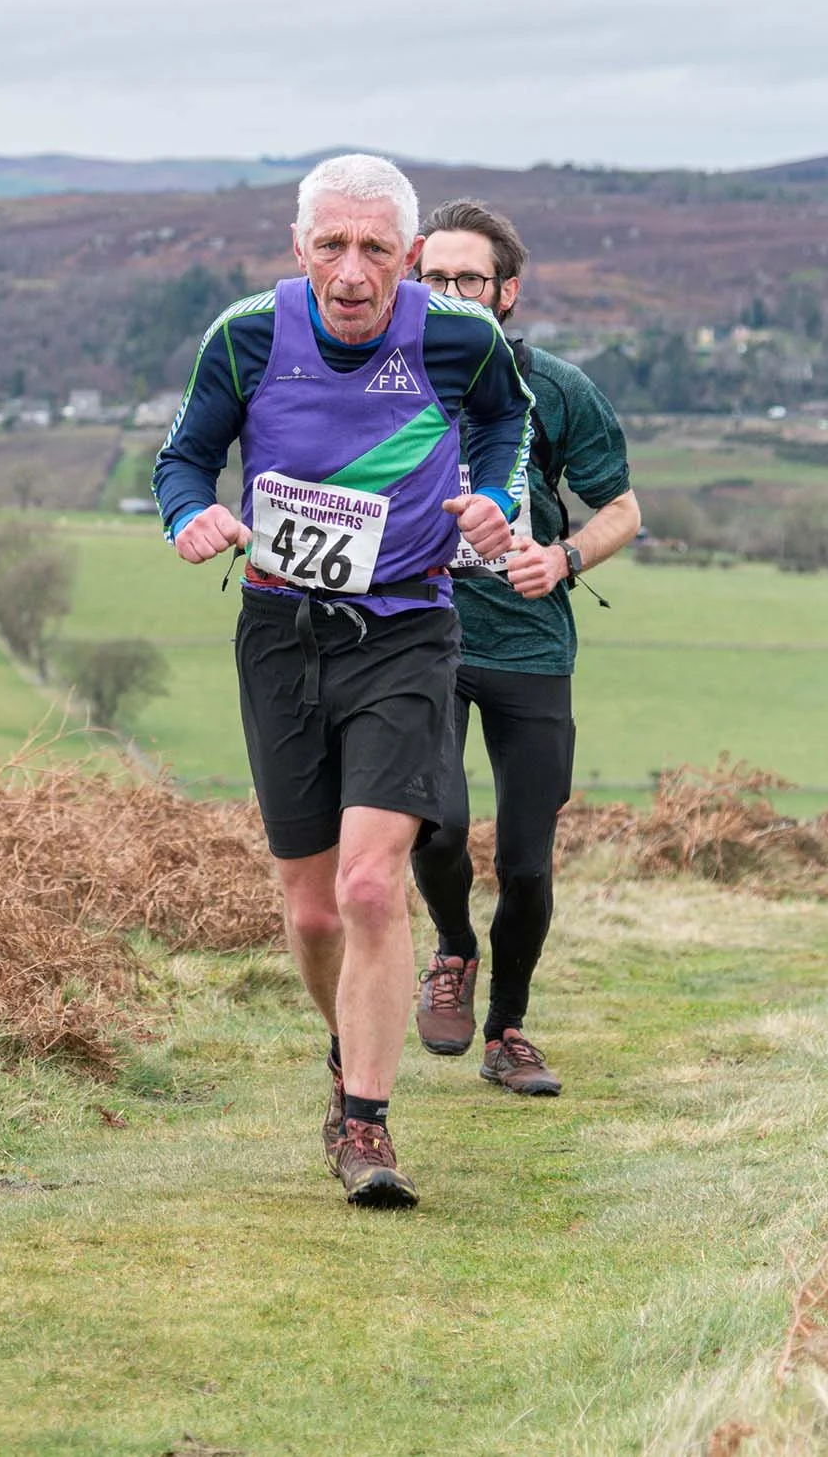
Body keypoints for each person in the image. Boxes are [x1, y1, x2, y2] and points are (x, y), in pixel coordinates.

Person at [153, 155, 533, 1209]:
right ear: (298, 248)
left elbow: (505, 423)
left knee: (372, 885)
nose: (352, 271)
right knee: (313, 910)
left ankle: (365, 1123)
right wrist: (190, 516)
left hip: (408, 626)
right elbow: (183, 458)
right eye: (332, 245)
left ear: (408, 258)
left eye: (374, 249)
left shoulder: (460, 338)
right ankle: (344, 1046)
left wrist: (493, 495)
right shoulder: (243, 336)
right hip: (281, 630)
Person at [406, 199, 639, 1095]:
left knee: (528, 862)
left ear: (506, 291)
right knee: (437, 822)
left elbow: (624, 506)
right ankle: (454, 949)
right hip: (418, 633)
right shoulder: (389, 382)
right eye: (436, 278)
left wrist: (565, 554)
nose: (453, 291)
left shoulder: (559, 388)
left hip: (531, 645)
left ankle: (508, 1031)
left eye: (470, 278)